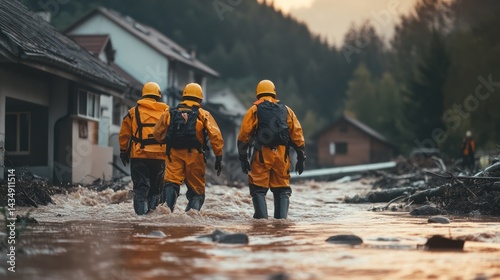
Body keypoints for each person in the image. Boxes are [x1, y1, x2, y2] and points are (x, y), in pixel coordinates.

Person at [237, 79, 306, 219]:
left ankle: (262, 224)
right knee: (282, 190)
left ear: (258, 93)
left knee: (258, 189)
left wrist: (243, 158)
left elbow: (244, 135)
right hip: (282, 155)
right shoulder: (287, 110)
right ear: (274, 92)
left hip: (262, 154)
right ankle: (280, 225)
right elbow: (297, 134)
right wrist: (301, 157)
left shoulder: (254, 110)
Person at [153, 83, 224, 212]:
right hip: (195, 156)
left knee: (171, 183)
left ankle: (166, 215)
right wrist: (218, 156)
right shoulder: (203, 114)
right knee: (197, 191)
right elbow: (216, 136)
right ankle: (191, 219)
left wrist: (169, 141)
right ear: (200, 98)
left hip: (173, 154)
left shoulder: (169, 113)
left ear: (183, 96)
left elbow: (157, 134)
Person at [119, 82, 169, 215]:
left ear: (143, 94)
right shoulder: (166, 112)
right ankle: (151, 219)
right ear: (158, 96)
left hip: (139, 155)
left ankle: (141, 221)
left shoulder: (133, 112)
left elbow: (124, 134)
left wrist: (123, 151)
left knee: (141, 188)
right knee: (156, 190)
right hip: (159, 157)